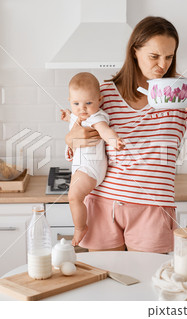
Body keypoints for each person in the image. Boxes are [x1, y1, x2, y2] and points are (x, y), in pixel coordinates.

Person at [64, 16, 187, 253]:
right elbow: (76, 144)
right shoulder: (104, 94)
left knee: (146, 285)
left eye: (169, 57)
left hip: (153, 208)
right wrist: (70, 139)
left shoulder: (179, 95)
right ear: (135, 52)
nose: (162, 65)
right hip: (103, 203)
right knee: (106, 282)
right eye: (154, 56)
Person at [61, 72, 125, 246]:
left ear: (99, 100)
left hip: (91, 168)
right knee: (75, 197)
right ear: (70, 101)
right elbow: (75, 118)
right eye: (76, 103)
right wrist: (68, 115)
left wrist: (114, 140)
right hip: (82, 167)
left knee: (74, 197)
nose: (82, 108)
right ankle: (81, 226)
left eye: (88, 103)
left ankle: (80, 227)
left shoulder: (96, 116)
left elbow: (104, 131)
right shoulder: (79, 115)